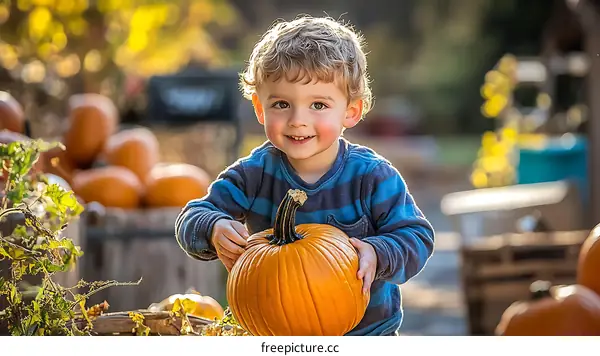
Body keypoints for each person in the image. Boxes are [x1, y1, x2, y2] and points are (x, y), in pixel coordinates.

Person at [174, 15, 435, 336]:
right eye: (281, 103)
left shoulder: (372, 177)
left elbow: (416, 236)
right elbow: (192, 216)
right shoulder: (253, 174)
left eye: (319, 105)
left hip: (367, 334)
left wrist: (378, 253)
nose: (298, 120)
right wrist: (212, 227)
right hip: (272, 332)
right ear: (259, 108)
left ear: (351, 110)